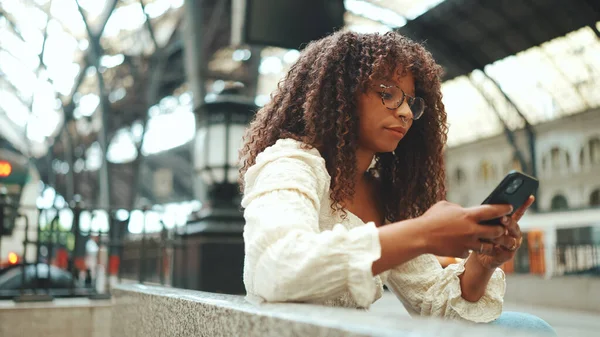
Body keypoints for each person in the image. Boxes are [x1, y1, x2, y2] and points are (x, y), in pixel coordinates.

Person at [238, 31, 556, 335]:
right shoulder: (291, 162)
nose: (405, 112)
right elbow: (276, 268)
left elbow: (436, 305)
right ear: (340, 96)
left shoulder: (382, 195)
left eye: (411, 103)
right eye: (386, 94)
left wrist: (482, 263)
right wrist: (425, 233)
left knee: (527, 328)